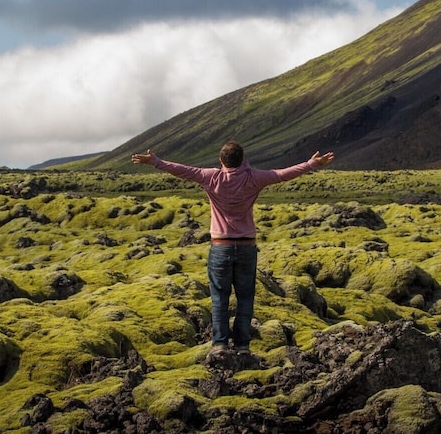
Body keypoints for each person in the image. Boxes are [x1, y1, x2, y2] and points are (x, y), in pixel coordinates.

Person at [131, 141, 334, 356]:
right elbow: (282, 174)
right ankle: (242, 346)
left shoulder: (211, 177)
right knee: (245, 297)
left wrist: (155, 162)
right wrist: (312, 164)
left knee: (219, 298)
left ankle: (219, 345)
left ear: (221, 160)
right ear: (242, 159)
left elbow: (182, 171)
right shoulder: (254, 177)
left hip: (220, 247)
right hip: (247, 247)